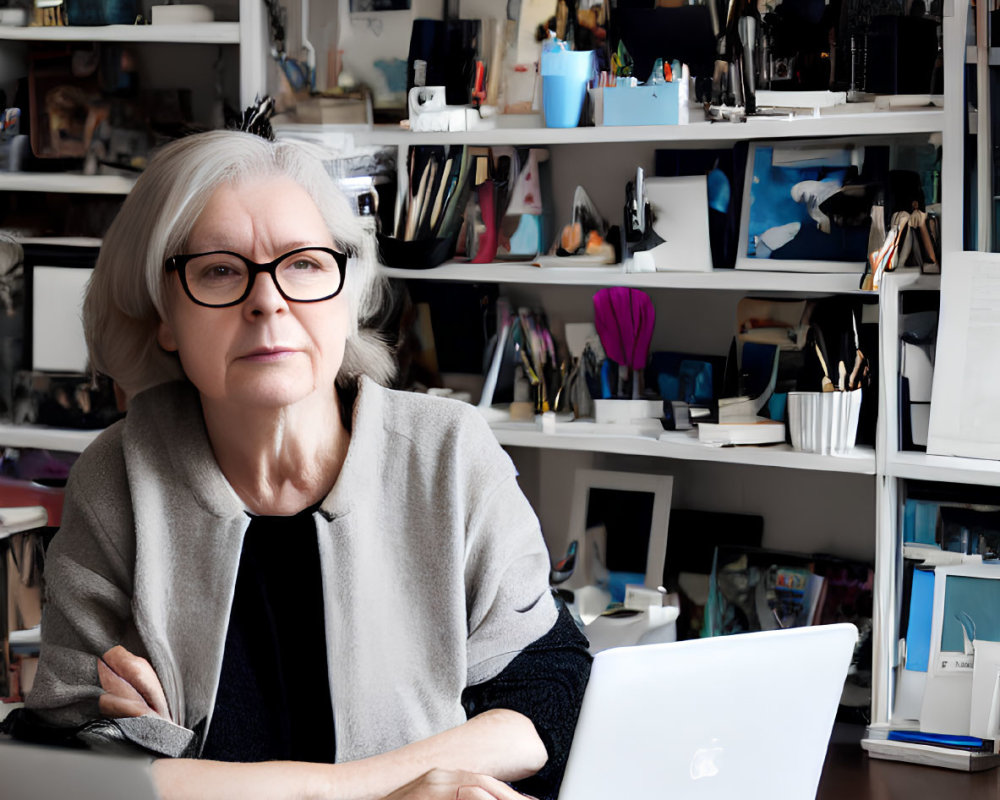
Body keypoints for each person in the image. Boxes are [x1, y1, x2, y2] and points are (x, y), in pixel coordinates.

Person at [21, 130, 591, 800]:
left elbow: (548, 694)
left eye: (305, 264)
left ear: (347, 294)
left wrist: (243, 780)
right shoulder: (117, 476)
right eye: (219, 270)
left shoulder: (448, 454)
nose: (268, 300)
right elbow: (68, 761)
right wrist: (375, 791)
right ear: (162, 317)